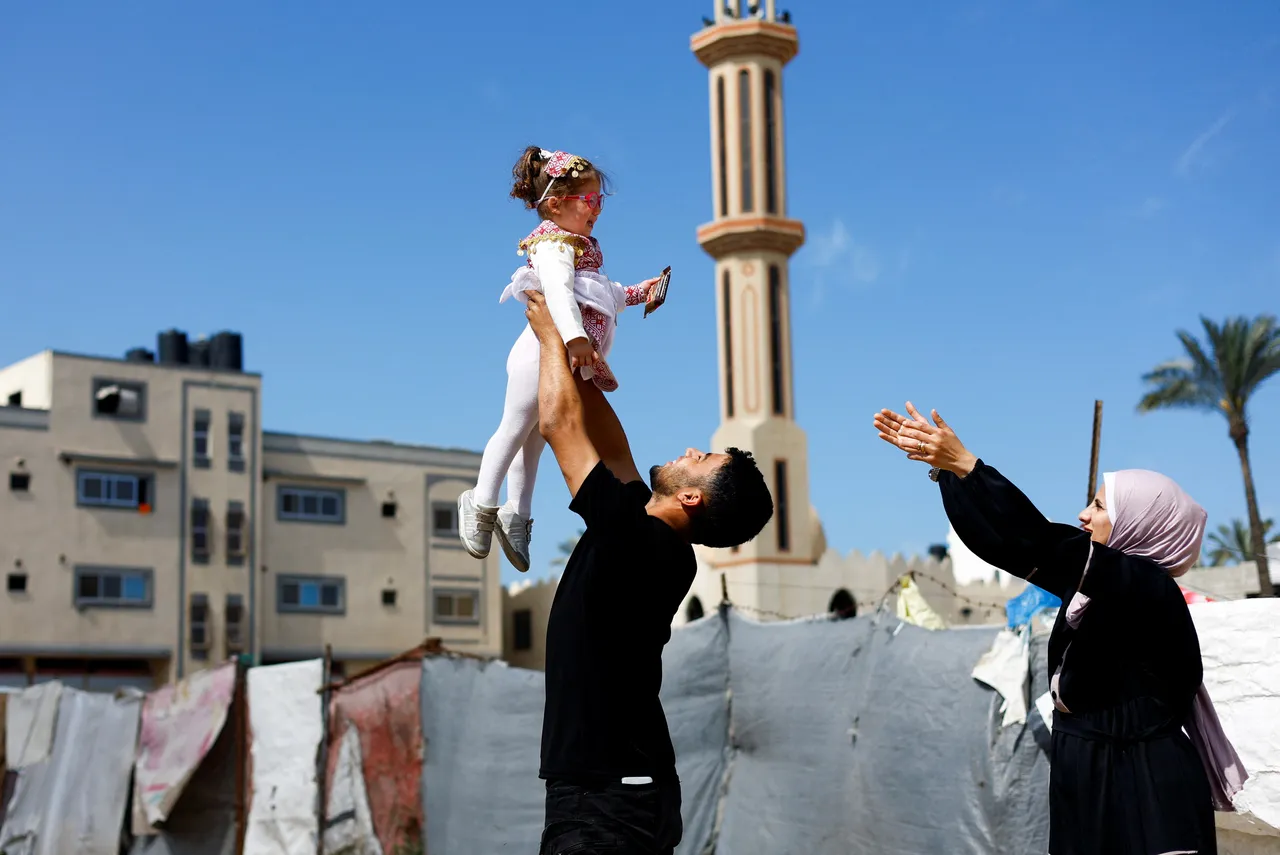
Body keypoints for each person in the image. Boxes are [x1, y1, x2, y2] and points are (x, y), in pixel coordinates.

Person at [874, 402, 1247, 855]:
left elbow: (1040, 539)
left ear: (1141, 523)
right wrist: (949, 474)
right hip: (1093, 781)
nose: (1083, 515)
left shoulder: (1143, 586)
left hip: (1142, 792)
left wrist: (969, 466)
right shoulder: (1103, 586)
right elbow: (1008, 547)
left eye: (1099, 506)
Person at [524, 290, 774, 854]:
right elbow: (612, 449)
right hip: (620, 792)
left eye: (703, 460)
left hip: (607, 800)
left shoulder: (646, 545)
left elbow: (559, 426)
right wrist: (581, 362)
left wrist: (549, 336)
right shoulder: (650, 535)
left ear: (689, 497)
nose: (690, 448)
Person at [457, 146, 665, 573]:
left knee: (534, 441)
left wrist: (640, 292)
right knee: (515, 430)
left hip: (558, 356)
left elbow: (597, 297)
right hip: (540, 350)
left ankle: (518, 513)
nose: (596, 210)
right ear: (555, 204)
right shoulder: (554, 246)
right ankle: (480, 502)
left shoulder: (579, 248)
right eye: (589, 201)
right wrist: (573, 339)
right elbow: (555, 292)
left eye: (599, 201)